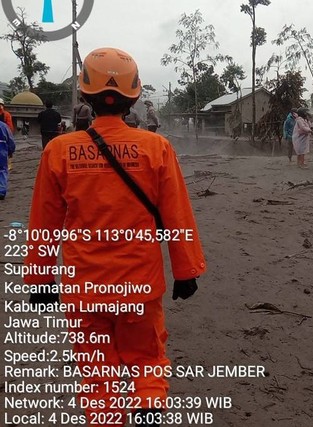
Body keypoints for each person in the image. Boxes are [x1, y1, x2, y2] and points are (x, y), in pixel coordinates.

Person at [24, 47, 206, 427]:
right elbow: (177, 215)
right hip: (139, 285)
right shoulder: (156, 148)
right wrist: (186, 270)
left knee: (97, 375)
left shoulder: (59, 151)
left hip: (84, 288)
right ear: (134, 95)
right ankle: (149, 410)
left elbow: (44, 223)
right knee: (147, 361)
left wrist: (40, 279)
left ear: (86, 96)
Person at [0, 119, 15, 200]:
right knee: (2, 170)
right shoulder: (3, 126)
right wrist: (10, 151)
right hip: (2, 151)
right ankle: (1, 191)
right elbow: (10, 140)